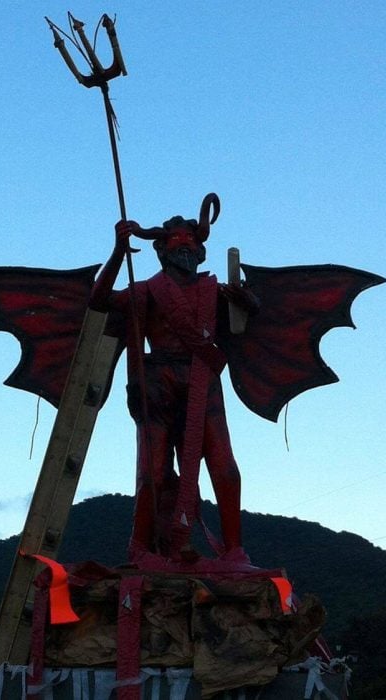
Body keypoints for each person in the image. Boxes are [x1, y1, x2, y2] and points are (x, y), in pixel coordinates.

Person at [89, 195, 257, 562]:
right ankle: (140, 547)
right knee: (152, 472)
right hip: (157, 382)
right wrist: (119, 252)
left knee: (225, 467)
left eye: (191, 241)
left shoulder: (216, 292)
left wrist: (246, 299)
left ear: (200, 252)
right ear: (161, 251)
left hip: (202, 379)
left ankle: (234, 550)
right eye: (176, 241)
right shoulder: (146, 290)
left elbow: (251, 319)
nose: (186, 245)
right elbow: (99, 300)